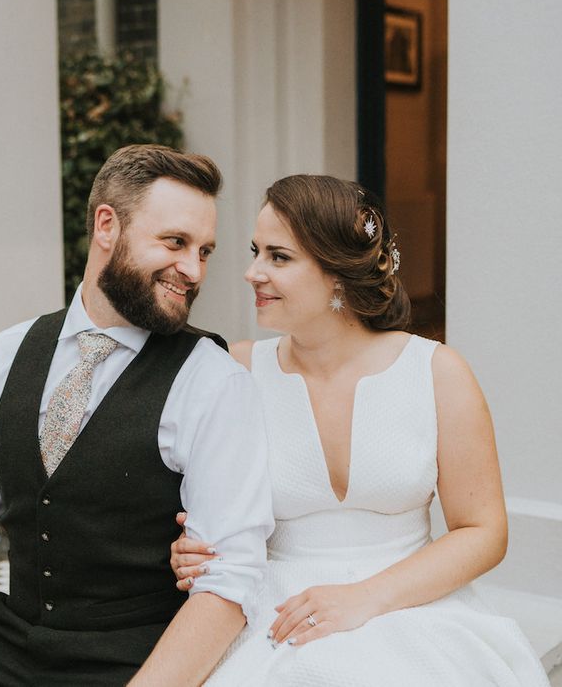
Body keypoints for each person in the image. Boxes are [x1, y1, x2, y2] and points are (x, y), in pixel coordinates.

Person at [0, 144, 274, 687]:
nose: (192, 269)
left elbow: (229, 583)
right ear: (106, 226)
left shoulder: (213, 381)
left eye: (204, 251)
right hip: (9, 646)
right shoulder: (6, 353)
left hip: (137, 660)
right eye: (175, 242)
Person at [170, 175, 550, 686]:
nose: (251, 272)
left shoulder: (437, 372)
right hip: (275, 608)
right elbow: (209, 514)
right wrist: (194, 547)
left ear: (339, 274)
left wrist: (364, 598)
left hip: (411, 604)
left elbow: (483, 532)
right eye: (256, 251)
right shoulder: (235, 371)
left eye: (278, 257)